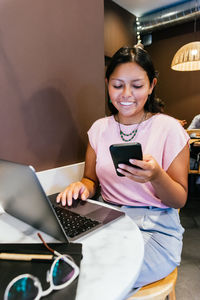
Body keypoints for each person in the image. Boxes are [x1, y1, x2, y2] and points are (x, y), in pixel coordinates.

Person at [56, 45, 189, 289]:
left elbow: (179, 200)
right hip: (107, 220)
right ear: (107, 84)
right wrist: (82, 187)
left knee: (97, 280)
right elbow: (90, 180)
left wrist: (157, 176)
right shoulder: (99, 129)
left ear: (151, 86)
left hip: (155, 229)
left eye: (137, 86)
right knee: (65, 269)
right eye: (117, 85)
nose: (126, 94)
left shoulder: (170, 129)